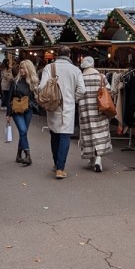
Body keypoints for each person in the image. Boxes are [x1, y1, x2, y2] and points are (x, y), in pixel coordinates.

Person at [38, 45, 85, 179]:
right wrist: (72, 98)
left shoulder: (49, 67)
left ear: (57, 55)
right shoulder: (75, 70)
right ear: (69, 55)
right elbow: (82, 90)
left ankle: (55, 163)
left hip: (53, 106)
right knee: (65, 136)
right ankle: (60, 168)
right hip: (68, 107)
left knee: (54, 134)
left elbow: (41, 86)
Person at [77, 56, 113, 172]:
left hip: (85, 111)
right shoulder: (101, 77)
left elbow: (77, 93)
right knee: (100, 134)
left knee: (88, 134)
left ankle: (91, 159)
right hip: (100, 110)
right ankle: (98, 159)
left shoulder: (80, 77)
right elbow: (110, 90)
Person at [6, 59, 38, 165]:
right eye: (20, 67)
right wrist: (8, 114)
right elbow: (9, 98)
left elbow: (35, 98)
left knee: (23, 133)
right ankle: (28, 156)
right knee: (23, 131)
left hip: (28, 110)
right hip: (16, 110)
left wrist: (31, 105)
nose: (21, 70)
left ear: (29, 69)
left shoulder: (33, 82)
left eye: (24, 68)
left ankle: (19, 155)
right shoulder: (15, 82)